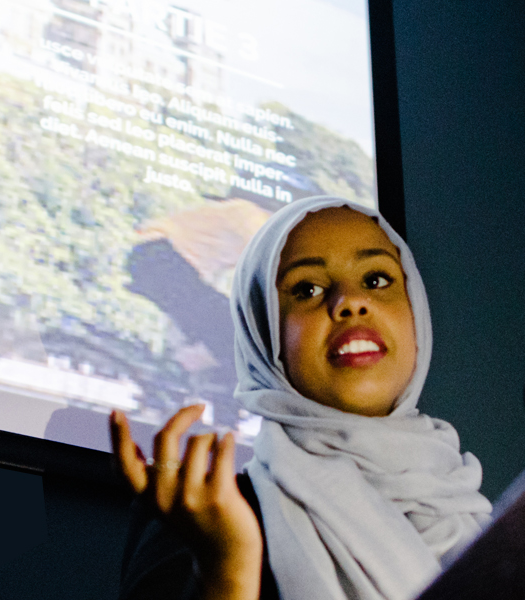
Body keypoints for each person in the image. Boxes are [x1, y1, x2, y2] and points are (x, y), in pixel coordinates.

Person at [108, 196, 494, 600]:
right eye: (307, 288)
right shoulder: (202, 519)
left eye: (376, 280)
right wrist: (228, 573)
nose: (350, 302)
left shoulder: (473, 514)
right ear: (262, 333)